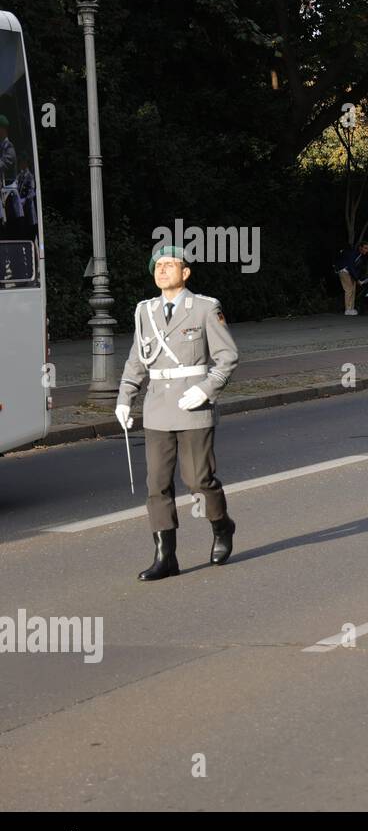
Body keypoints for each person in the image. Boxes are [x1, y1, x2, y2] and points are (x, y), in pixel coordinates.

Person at [115, 246, 239, 580]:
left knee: (198, 479)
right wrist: (125, 397)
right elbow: (137, 359)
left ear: (185, 273)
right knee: (157, 483)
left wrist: (205, 389)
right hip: (157, 408)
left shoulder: (204, 308)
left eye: (170, 265)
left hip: (193, 405)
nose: (162, 269)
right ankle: (165, 557)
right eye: (158, 265)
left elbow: (227, 357)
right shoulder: (145, 311)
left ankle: (222, 525)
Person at [335, 240, 368, 316]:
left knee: (353, 289)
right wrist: (356, 279)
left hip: (349, 272)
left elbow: (357, 270)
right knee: (348, 289)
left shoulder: (360, 257)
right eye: (365, 248)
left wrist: (358, 279)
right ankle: (347, 309)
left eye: (367, 248)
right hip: (344, 271)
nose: (366, 250)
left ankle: (351, 308)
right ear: (360, 248)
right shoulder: (353, 254)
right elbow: (350, 267)